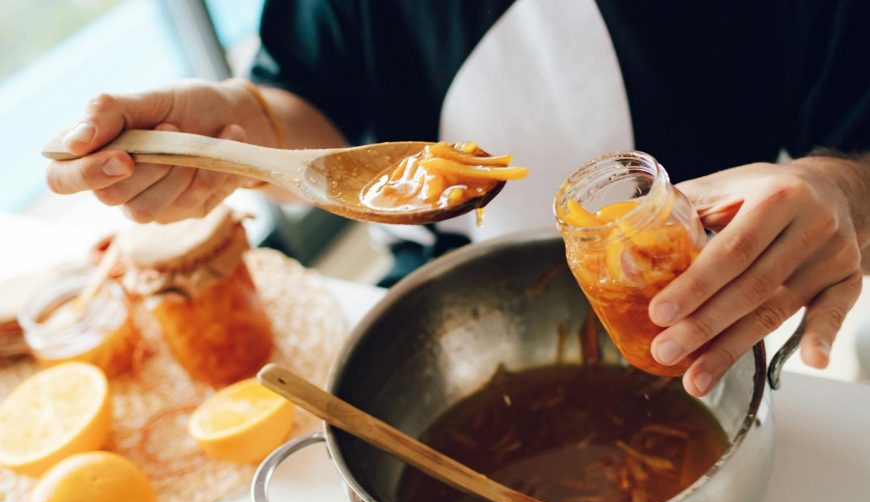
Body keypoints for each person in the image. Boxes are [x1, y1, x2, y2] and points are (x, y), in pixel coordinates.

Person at [45, 0, 870, 397]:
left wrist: (844, 189)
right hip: (447, 316)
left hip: (729, 308)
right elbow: (308, 95)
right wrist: (247, 130)